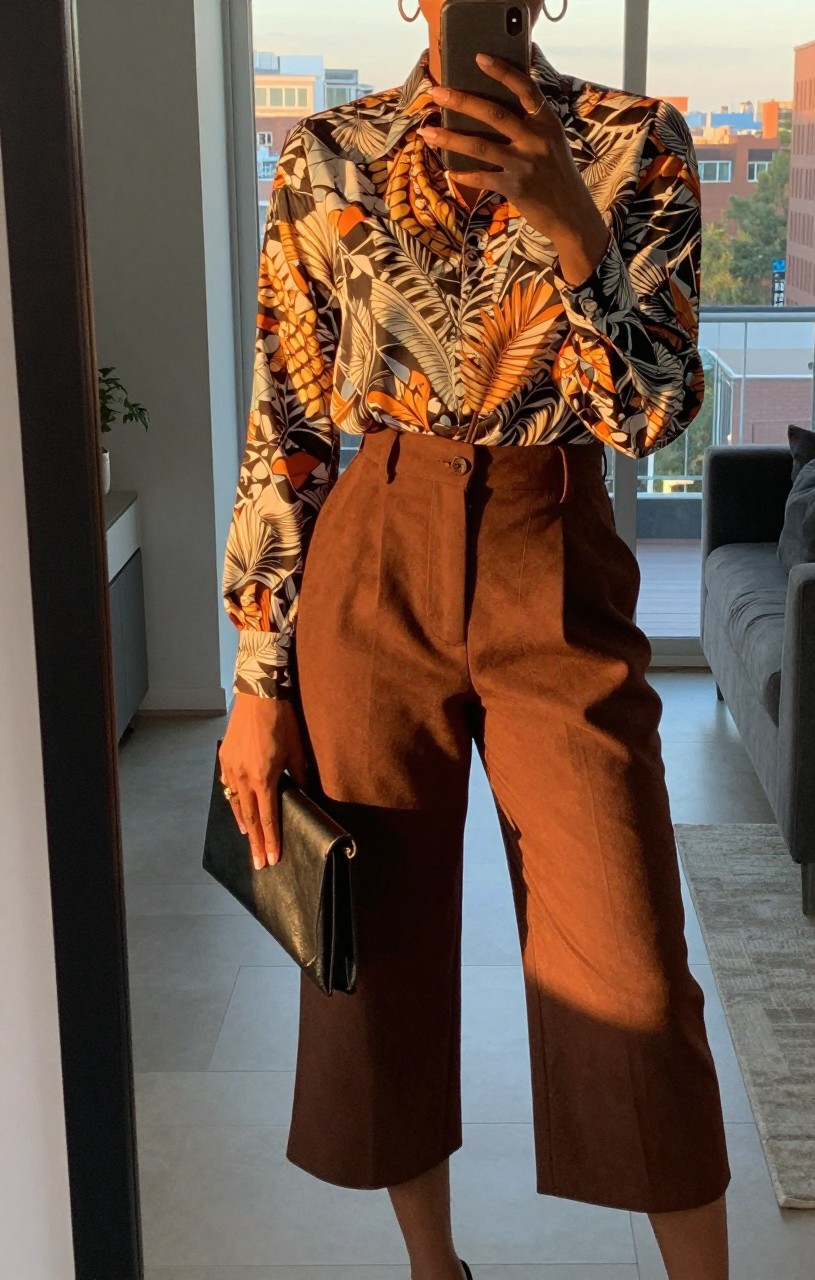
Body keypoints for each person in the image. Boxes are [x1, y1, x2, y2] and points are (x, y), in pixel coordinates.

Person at [217, 1, 731, 1277]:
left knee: (635, 969)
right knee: (371, 946)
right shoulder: (325, 157)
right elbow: (287, 420)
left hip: (550, 540)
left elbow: (658, 416)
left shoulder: (635, 143)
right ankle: (433, 1266)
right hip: (367, 553)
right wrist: (255, 676)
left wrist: (570, 226)